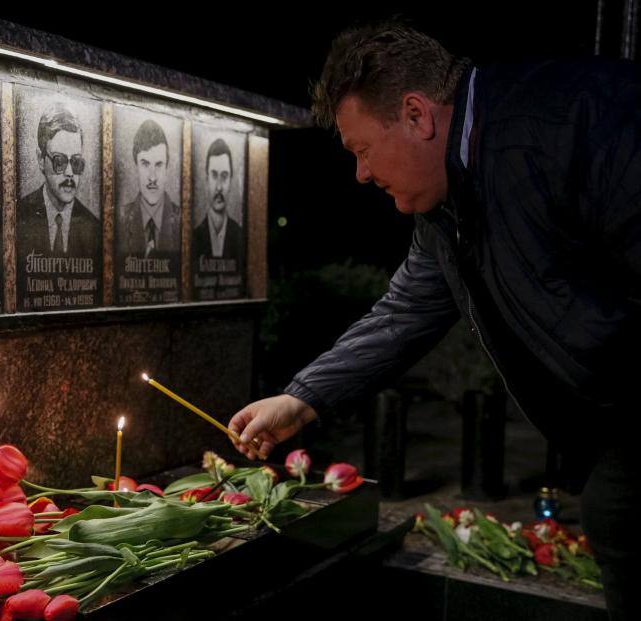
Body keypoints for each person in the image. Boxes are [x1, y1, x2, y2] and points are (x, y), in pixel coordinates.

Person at [228, 20, 641, 620]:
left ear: (417, 115)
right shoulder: (447, 207)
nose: (361, 175)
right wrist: (302, 397)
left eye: (362, 149)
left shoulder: (576, 120)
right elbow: (405, 310)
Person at [16, 102, 100, 259]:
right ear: (41, 159)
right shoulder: (18, 217)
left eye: (76, 162)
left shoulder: (94, 228)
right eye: (59, 162)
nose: (69, 173)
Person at [118, 118, 180, 259]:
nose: (152, 178)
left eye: (158, 165)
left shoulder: (182, 221)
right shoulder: (120, 221)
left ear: (166, 169)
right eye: (145, 164)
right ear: (136, 167)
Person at [192, 137, 242, 262]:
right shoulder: (194, 237)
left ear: (231, 180)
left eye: (224, 176)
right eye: (214, 175)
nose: (219, 187)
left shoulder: (240, 237)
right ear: (206, 178)